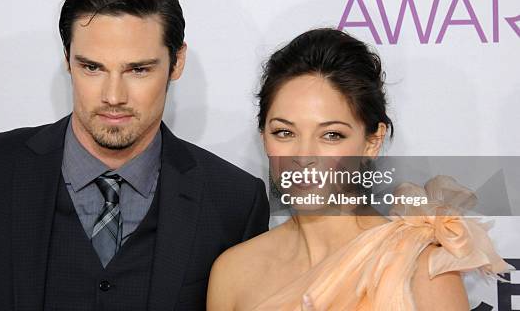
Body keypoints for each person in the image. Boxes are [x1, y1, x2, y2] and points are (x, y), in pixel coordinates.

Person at [0, 0, 269, 310]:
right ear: (67, 60)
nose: (113, 95)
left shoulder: (233, 202)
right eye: (92, 67)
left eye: (138, 69)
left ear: (176, 63)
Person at [206, 28, 510, 310]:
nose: (303, 156)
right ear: (264, 137)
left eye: (331, 135)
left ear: (371, 142)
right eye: (284, 132)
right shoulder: (233, 273)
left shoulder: (421, 267)